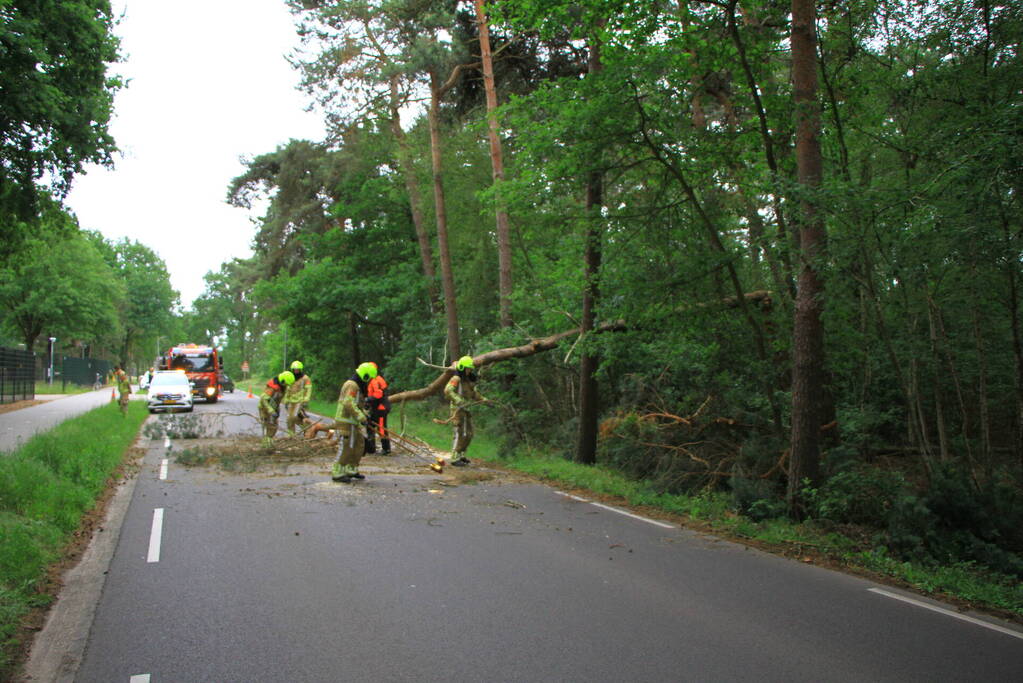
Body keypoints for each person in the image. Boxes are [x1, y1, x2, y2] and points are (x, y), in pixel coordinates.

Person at [331, 362, 374, 483]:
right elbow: (348, 403)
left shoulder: (357, 386)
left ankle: (351, 468)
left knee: (359, 444)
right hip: (345, 420)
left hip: (353, 421)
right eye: (369, 377)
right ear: (365, 375)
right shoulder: (352, 385)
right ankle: (337, 471)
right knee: (346, 446)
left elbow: (357, 405)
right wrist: (361, 417)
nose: (369, 381)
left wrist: (365, 416)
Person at [444, 355, 486, 466]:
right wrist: (458, 400)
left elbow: (473, 394)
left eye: (471, 368)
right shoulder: (456, 378)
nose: (470, 370)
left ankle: (461, 455)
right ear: (462, 368)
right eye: (468, 368)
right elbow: (448, 390)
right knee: (459, 432)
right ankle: (454, 458)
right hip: (457, 410)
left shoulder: (467, 380)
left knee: (469, 433)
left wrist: (483, 399)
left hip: (466, 408)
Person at [259, 371, 295, 447]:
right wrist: (271, 411)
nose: (287, 385)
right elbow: (263, 399)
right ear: (282, 381)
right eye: (286, 384)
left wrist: (285, 404)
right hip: (264, 408)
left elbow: (279, 399)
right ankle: (266, 445)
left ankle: (268, 442)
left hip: (274, 407)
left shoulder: (282, 386)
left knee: (275, 426)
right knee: (269, 425)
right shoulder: (272, 387)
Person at [364, 362, 391, 455]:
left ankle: (386, 449)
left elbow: (378, 395)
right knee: (370, 426)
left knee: (381, 428)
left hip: (381, 409)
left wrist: (367, 399)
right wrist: (368, 403)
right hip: (376, 408)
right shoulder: (373, 380)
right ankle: (371, 448)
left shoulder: (376, 380)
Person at [284, 360, 313, 436]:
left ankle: (306, 429)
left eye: (297, 369)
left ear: (300, 369)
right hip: (291, 401)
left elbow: (308, 389)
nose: (296, 371)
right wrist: (286, 399)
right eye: (294, 369)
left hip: (300, 401)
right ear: (292, 369)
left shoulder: (305, 378)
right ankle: (291, 434)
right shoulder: (290, 377)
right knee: (289, 418)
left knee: (294, 417)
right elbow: (288, 389)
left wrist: (306, 398)